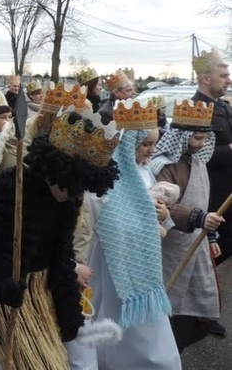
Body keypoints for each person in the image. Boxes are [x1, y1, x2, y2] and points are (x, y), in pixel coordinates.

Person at [0, 108, 120, 370]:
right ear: (58, 170)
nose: (77, 194)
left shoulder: (67, 201)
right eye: (73, 186)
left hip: (40, 293)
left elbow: (61, 258)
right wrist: (0, 286)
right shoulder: (11, 186)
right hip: (5, 291)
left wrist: (68, 311)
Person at [88, 99, 181, 369]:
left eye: (154, 143)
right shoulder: (105, 179)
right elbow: (102, 218)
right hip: (114, 263)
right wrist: (143, 223)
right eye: (145, 144)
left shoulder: (144, 175)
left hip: (141, 266)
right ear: (128, 143)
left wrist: (163, 216)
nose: (152, 150)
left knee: (141, 333)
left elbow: (157, 216)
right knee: (109, 326)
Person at [150, 99, 226, 346]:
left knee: (198, 312)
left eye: (205, 139)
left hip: (196, 243)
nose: (201, 144)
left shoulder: (198, 162)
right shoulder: (165, 166)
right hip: (170, 247)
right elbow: (164, 206)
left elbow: (202, 200)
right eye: (196, 138)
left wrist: (211, 235)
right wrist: (198, 218)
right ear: (181, 136)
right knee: (170, 309)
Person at [191, 48, 232, 265]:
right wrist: (229, 151)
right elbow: (191, 153)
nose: (229, 80)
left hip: (229, 195)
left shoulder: (224, 106)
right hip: (212, 198)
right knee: (214, 259)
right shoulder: (194, 109)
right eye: (223, 76)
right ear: (206, 78)